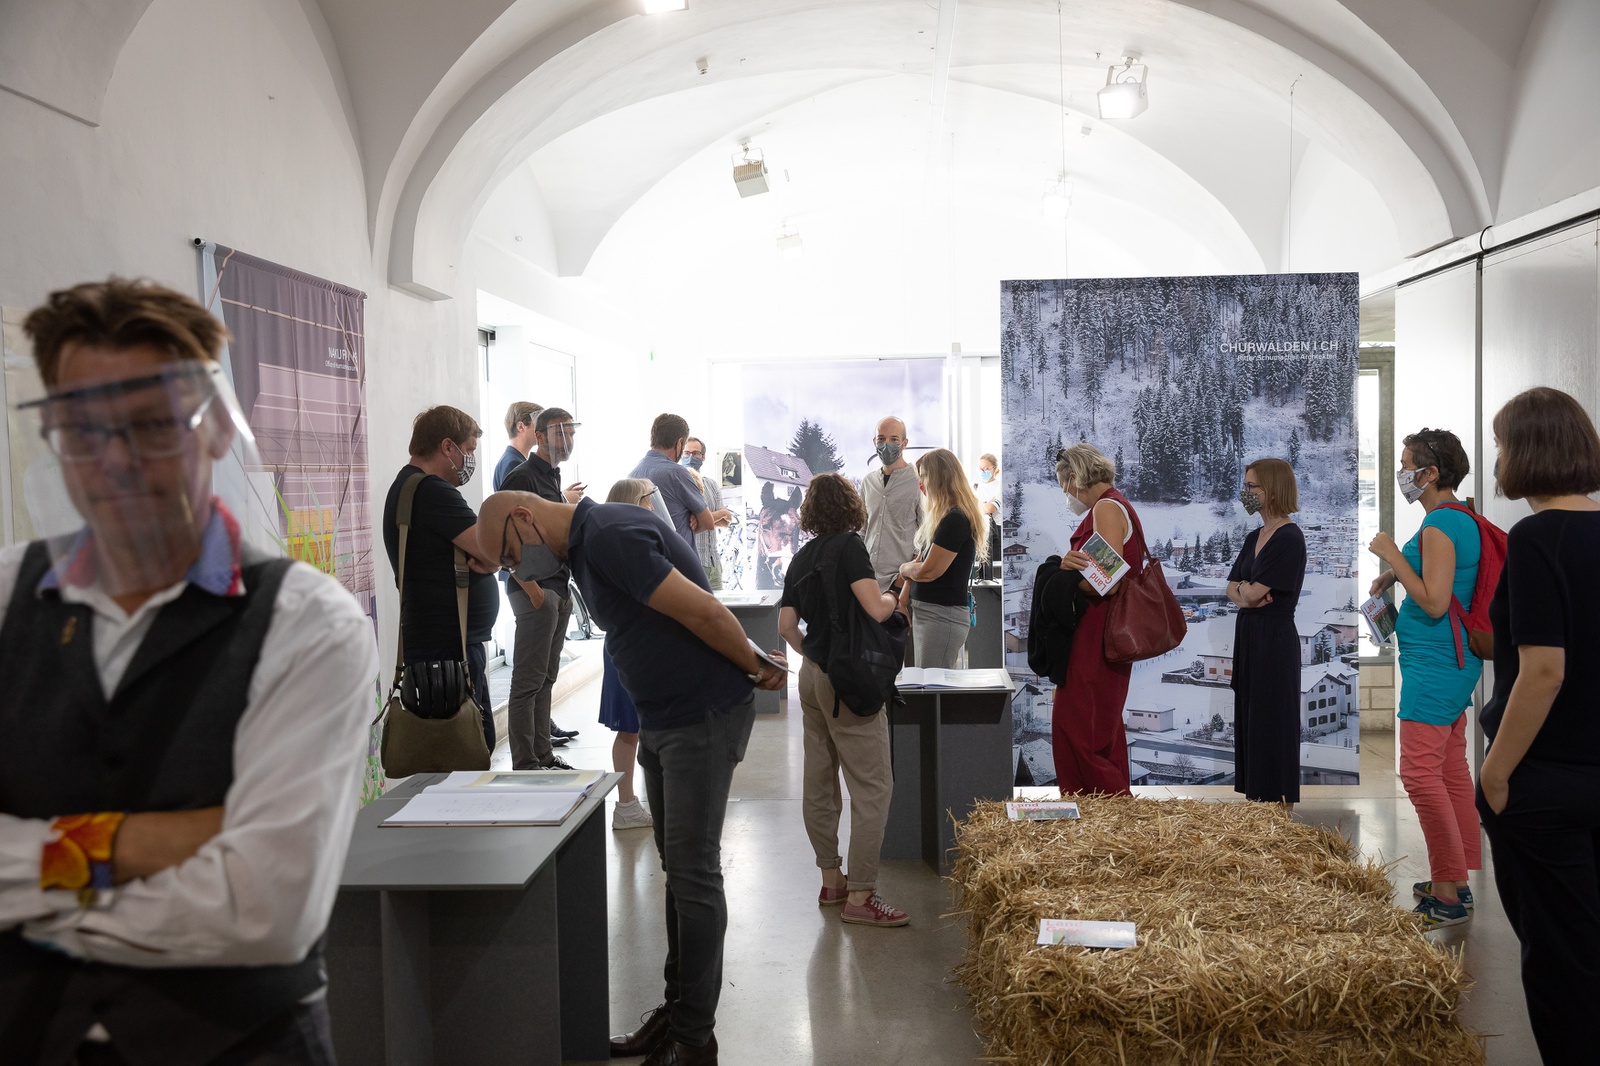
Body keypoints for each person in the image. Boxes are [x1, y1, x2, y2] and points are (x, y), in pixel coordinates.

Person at [0, 278, 377, 1063]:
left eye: (150, 425)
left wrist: (26, 894)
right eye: (83, 430)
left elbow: (264, 909)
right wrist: (142, 843)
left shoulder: (308, 623)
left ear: (215, 427)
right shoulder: (5, 596)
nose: (116, 461)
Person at [474, 488, 788, 1066]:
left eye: (511, 558)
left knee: (693, 876)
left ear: (524, 517)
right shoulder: (586, 549)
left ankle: (695, 1040)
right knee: (679, 874)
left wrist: (755, 665)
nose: (518, 572)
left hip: (699, 715)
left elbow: (702, 610)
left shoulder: (608, 536)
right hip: (665, 718)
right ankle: (678, 1014)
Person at [1475, 387, 1600, 1065]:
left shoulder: (1536, 537)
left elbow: (1544, 671)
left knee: (1561, 964)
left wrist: (1496, 773)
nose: (1497, 459)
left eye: (1500, 445)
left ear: (1525, 452)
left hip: (1547, 782)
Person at [778, 473, 911, 927]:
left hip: (812, 677)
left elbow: (786, 627)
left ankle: (832, 879)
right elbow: (875, 608)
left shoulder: (802, 556)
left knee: (819, 781)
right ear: (851, 506)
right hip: (848, 683)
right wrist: (894, 594)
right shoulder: (850, 547)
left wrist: (815, 655)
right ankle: (861, 895)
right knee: (873, 787)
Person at [1367, 429, 1482, 928]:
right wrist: (1396, 573)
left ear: (1430, 473)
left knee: (1418, 773)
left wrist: (1392, 555)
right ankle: (1456, 881)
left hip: (1436, 667)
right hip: (1448, 664)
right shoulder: (1457, 518)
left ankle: (1447, 895)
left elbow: (1435, 601)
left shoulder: (1439, 524)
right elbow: (1443, 581)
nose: (1402, 475)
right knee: (1451, 770)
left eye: (1407, 466)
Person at [382, 406, 501, 752]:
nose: (470, 460)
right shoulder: (432, 491)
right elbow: (492, 549)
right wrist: (492, 561)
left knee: (455, 752)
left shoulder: (406, 486)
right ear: (447, 447)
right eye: (469, 450)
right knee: (469, 750)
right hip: (450, 652)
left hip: (438, 647)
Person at [1051, 443, 1147, 796]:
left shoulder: (1106, 507)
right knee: (1100, 727)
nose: (1066, 494)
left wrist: (1062, 577)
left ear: (1074, 477)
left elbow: (1106, 581)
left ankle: (1102, 805)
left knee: (1078, 727)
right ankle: (1110, 810)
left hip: (1098, 629)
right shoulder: (1114, 504)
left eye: (1064, 485)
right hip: (1100, 628)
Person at [498, 407, 586, 768]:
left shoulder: (553, 477)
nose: (567, 439)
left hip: (557, 589)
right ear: (539, 436)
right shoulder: (522, 477)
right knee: (528, 681)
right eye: (559, 432)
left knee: (546, 678)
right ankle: (526, 763)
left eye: (571, 432)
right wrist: (532, 588)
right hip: (534, 591)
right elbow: (501, 538)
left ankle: (543, 756)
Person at [1226, 458, 1308, 810]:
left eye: (1251, 487)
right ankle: (1259, 805)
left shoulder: (1289, 537)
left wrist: (1246, 592)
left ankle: (1279, 811)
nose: (1245, 493)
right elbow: (1234, 589)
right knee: (1253, 721)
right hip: (1249, 639)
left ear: (1272, 490)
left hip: (1274, 641)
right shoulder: (1253, 537)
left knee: (1274, 722)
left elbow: (1250, 593)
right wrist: (1246, 592)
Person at [599, 478, 660, 830]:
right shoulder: (623, 546)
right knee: (629, 729)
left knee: (634, 729)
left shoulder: (615, 542)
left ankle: (631, 803)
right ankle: (625, 805)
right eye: (647, 502)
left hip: (634, 643)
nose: (651, 509)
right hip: (630, 646)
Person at [896, 448, 986, 669]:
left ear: (940, 477)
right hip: (929, 614)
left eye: (924, 477)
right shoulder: (942, 518)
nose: (921, 485)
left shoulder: (955, 519)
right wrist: (903, 599)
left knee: (933, 685)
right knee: (926, 682)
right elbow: (920, 563)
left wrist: (903, 569)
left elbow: (928, 571)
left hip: (941, 617)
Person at [630, 413, 717, 549]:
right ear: (679, 443)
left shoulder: (633, 474)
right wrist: (692, 520)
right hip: (677, 557)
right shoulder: (677, 473)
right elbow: (708, 523)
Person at [861, 416, 920, 590]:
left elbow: (926, 536)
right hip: (867, 579)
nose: (886, 444)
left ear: (904, 443)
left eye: (894, 439)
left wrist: (905, 581)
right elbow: (862, 529)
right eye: (881, 439)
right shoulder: (868, 482)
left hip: (900, 581)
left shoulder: (918, 481)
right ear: (874, 442)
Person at [683, 436, 733, 590]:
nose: (690, 457)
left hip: (714, 562)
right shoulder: (680, 484)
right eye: (687, 453)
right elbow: (686, 523)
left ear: (703, 457)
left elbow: (727, 520)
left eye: (695, 453)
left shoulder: (711, 484)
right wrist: (719, 513)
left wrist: (703, 519)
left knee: (718, 604)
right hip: (694, 563)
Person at [495, 400, 542, 490]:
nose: (542, 430)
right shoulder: (513, 463)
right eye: (538, 424)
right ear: (520, 427)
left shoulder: (513, 459)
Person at [976, 452, 1002, 577]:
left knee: (994, 565)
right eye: (981, 469)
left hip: (996, 529)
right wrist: (983, 506)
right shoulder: (977, 487)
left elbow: (991, 508)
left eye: (986, 469)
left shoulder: (999, 486)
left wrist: (980, 507)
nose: (983, 472)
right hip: (981, 529)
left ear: (994, 469)